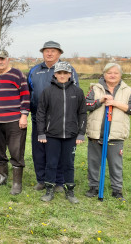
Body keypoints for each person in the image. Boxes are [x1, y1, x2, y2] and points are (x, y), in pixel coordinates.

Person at [28, 41, 79, 192]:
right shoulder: (34, 71)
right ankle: (42, 179)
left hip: (60, 121)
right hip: (39, 119)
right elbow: (29, 92)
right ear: (42, 53)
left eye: (53, 51)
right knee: (39, 150)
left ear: (59, 53)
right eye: (46, 51)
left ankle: (58, 181)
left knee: (59, 151)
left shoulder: (68, 69)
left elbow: (74, 93)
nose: (49, 53)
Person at [85, 63, 131, 202]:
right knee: (93, 162)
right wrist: (100, 101)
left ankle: (117, 190)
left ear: (120, 75)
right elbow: (85, 105)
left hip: (115, 134)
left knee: (116, 163)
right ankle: (94, 187)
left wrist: (115, 103)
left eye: (116, 73)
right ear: (104, 74)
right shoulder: (95, 88)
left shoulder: (127, 90)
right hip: (96, 133)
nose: (112, 75)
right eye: (109, 72)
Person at [36, 62, 86, 203]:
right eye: (60, 73)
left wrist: (81, 132)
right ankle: (49, 190)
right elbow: (40, 113)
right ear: (55, 74)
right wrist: (41, 132)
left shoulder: (77, 92)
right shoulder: (48, 91)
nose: (62, 75)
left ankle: (70, 191)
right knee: (51, 163)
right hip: (52, 135)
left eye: (65, 73)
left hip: (71, 135)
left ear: (70, 74)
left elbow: (82, 113)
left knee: (68, 164)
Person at [0, 50, 30, 195]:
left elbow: (25, 96)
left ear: (7, 59)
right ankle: (2, 177)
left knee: (16, 151)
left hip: (15, 120)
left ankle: (16, 183)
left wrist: (24, 116)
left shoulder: (17, 74)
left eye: (2, 59)